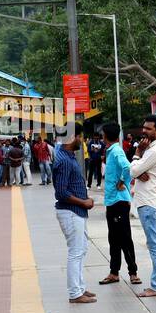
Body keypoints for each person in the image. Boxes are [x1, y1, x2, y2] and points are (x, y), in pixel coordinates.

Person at [52, 124, 97, 303]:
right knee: (76, 252)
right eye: (80, 137)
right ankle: (75, 293)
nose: (82, 140)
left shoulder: (68, 157)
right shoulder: (63, 160)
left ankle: (80, 287)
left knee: (81, 249)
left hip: (77, 211)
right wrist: (83, 202)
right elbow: (61, 192)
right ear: (72, 138)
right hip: (70, 212)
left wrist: (85, 199)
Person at [129, 114, 156, 297]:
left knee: (155, 246)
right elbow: (138, 172)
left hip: (149, 204)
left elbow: (133, 170)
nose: (144, 131)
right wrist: (139, 169)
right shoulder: (152, 149)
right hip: (153, 202)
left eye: (148, 128)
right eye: (143, 127)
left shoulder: (154, 150)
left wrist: (137, 155)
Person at [97, 122, 140, 286]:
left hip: (119, 201)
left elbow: (127, 168)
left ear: (106, 136)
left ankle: (133, 272)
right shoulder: (110, 151)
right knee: (113, 238)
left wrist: (123, 181)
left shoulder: (116, 151)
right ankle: (114, 272)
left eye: (102, 135)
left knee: (124, 238)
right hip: (111, 201)